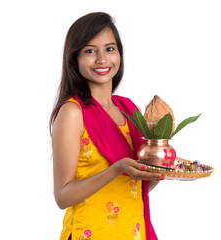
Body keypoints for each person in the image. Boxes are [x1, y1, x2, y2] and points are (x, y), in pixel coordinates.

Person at [50, 12, 161, 240]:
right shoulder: (73, 113)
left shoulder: (129, 110)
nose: (102, 59)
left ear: (119, 54)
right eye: (90, 51)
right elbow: (62, 196)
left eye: (109, 49)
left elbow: (132, 188)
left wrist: (158, 170)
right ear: (74, 60)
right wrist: (116, 168)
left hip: (132, 232)